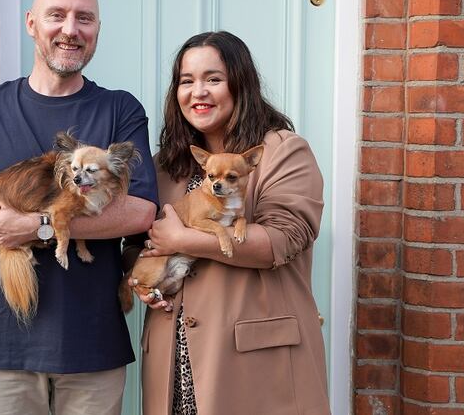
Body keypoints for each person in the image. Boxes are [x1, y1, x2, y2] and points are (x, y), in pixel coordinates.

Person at [0, 0, 158, 415]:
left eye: (84, 18)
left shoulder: (119, 110)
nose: (71, 29)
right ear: (32, 23)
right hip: (3, 343)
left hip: (93, 343)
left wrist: (38, 226)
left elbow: (140, 210)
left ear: (97, 30)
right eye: (57, 15)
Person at [126, 31, 329, 415]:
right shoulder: (166, 165)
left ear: (240, 84)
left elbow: (283, 239)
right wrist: (140, 281)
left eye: (213, 79)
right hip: (175, 357)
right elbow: (137, 244)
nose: (198, 92)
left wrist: (183, 239)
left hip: (252, 360)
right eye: (187, 81)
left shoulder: (281, 151)